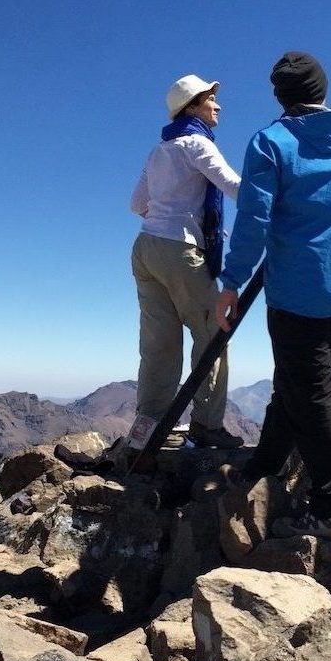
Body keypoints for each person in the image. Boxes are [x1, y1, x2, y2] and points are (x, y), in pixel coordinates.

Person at [211, 51, 331, 540]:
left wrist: (231, 282)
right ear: (322, 88)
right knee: (299, 387)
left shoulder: (271, 142)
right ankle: (266, 461)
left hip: (298, 293)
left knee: (312, 396)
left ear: (279, 94)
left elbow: (254, 220)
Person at [126, 73, 244, 455]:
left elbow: (136, 205)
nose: (218, 105)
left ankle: (148, 426)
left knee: (159, 343)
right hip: (180, 249)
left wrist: (165, 211)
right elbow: (233, 185)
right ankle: (207, 426)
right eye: (211, 99)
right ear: (192, 105)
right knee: (213, 332)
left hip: (146, 247)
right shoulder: (197, 145)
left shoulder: (158, 150)